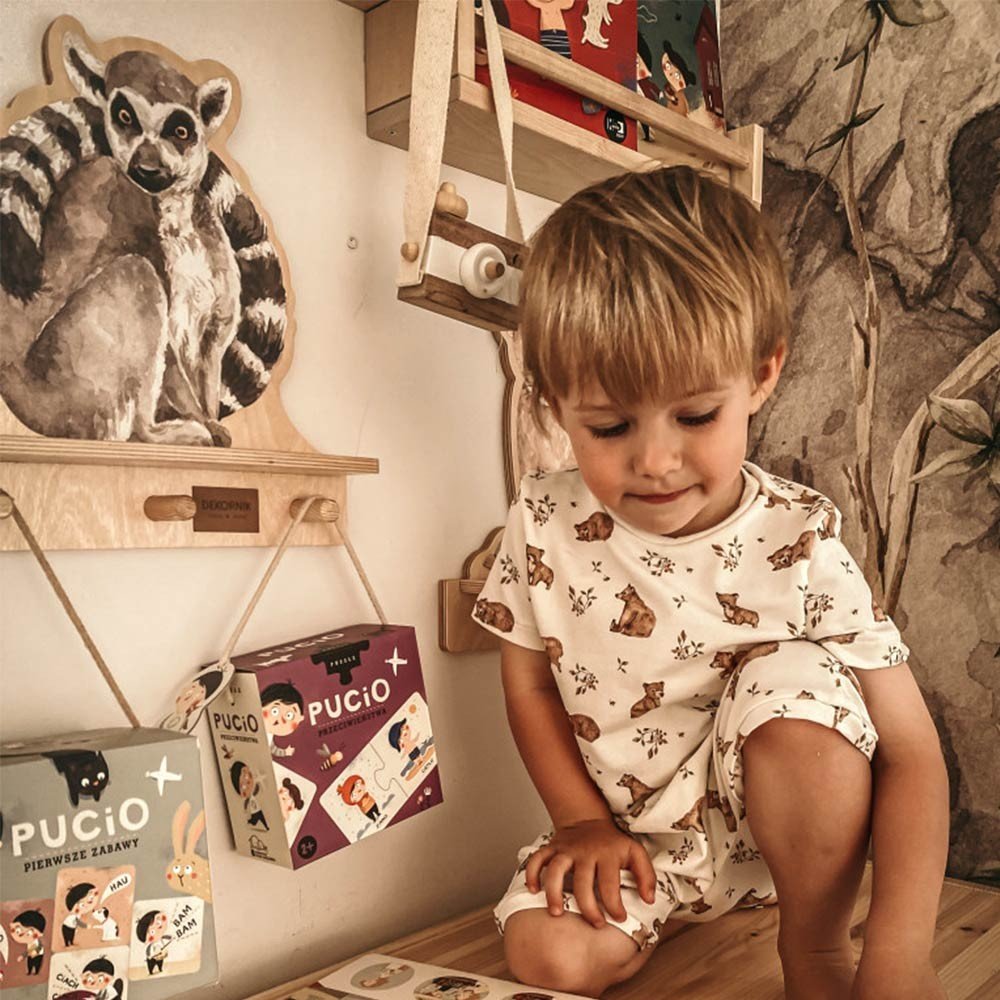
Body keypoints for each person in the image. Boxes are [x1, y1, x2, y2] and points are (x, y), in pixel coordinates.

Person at [472, 166, 949, 999]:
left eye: (696, 415)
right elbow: (528, 687)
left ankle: (814, 948)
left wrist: (899, 956)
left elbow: (911, 750)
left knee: (796, 687)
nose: (655, 461)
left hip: (782, 842)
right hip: (631, 840)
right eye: (610, 426)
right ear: (552, 402)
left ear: (762, 376)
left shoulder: (800, 538)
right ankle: (656, 918)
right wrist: (579, 821)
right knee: (547, 958)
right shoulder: (542, 517)